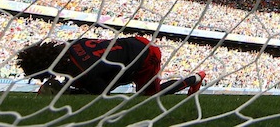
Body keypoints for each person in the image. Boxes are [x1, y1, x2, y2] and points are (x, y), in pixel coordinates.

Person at [17, 36, 205, 96]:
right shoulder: (70, 44)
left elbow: (102, 93)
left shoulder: (82, 72)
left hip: (145, 56)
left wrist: (65, 90)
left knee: (149, 96)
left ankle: (195, 78)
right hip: (133, 43)